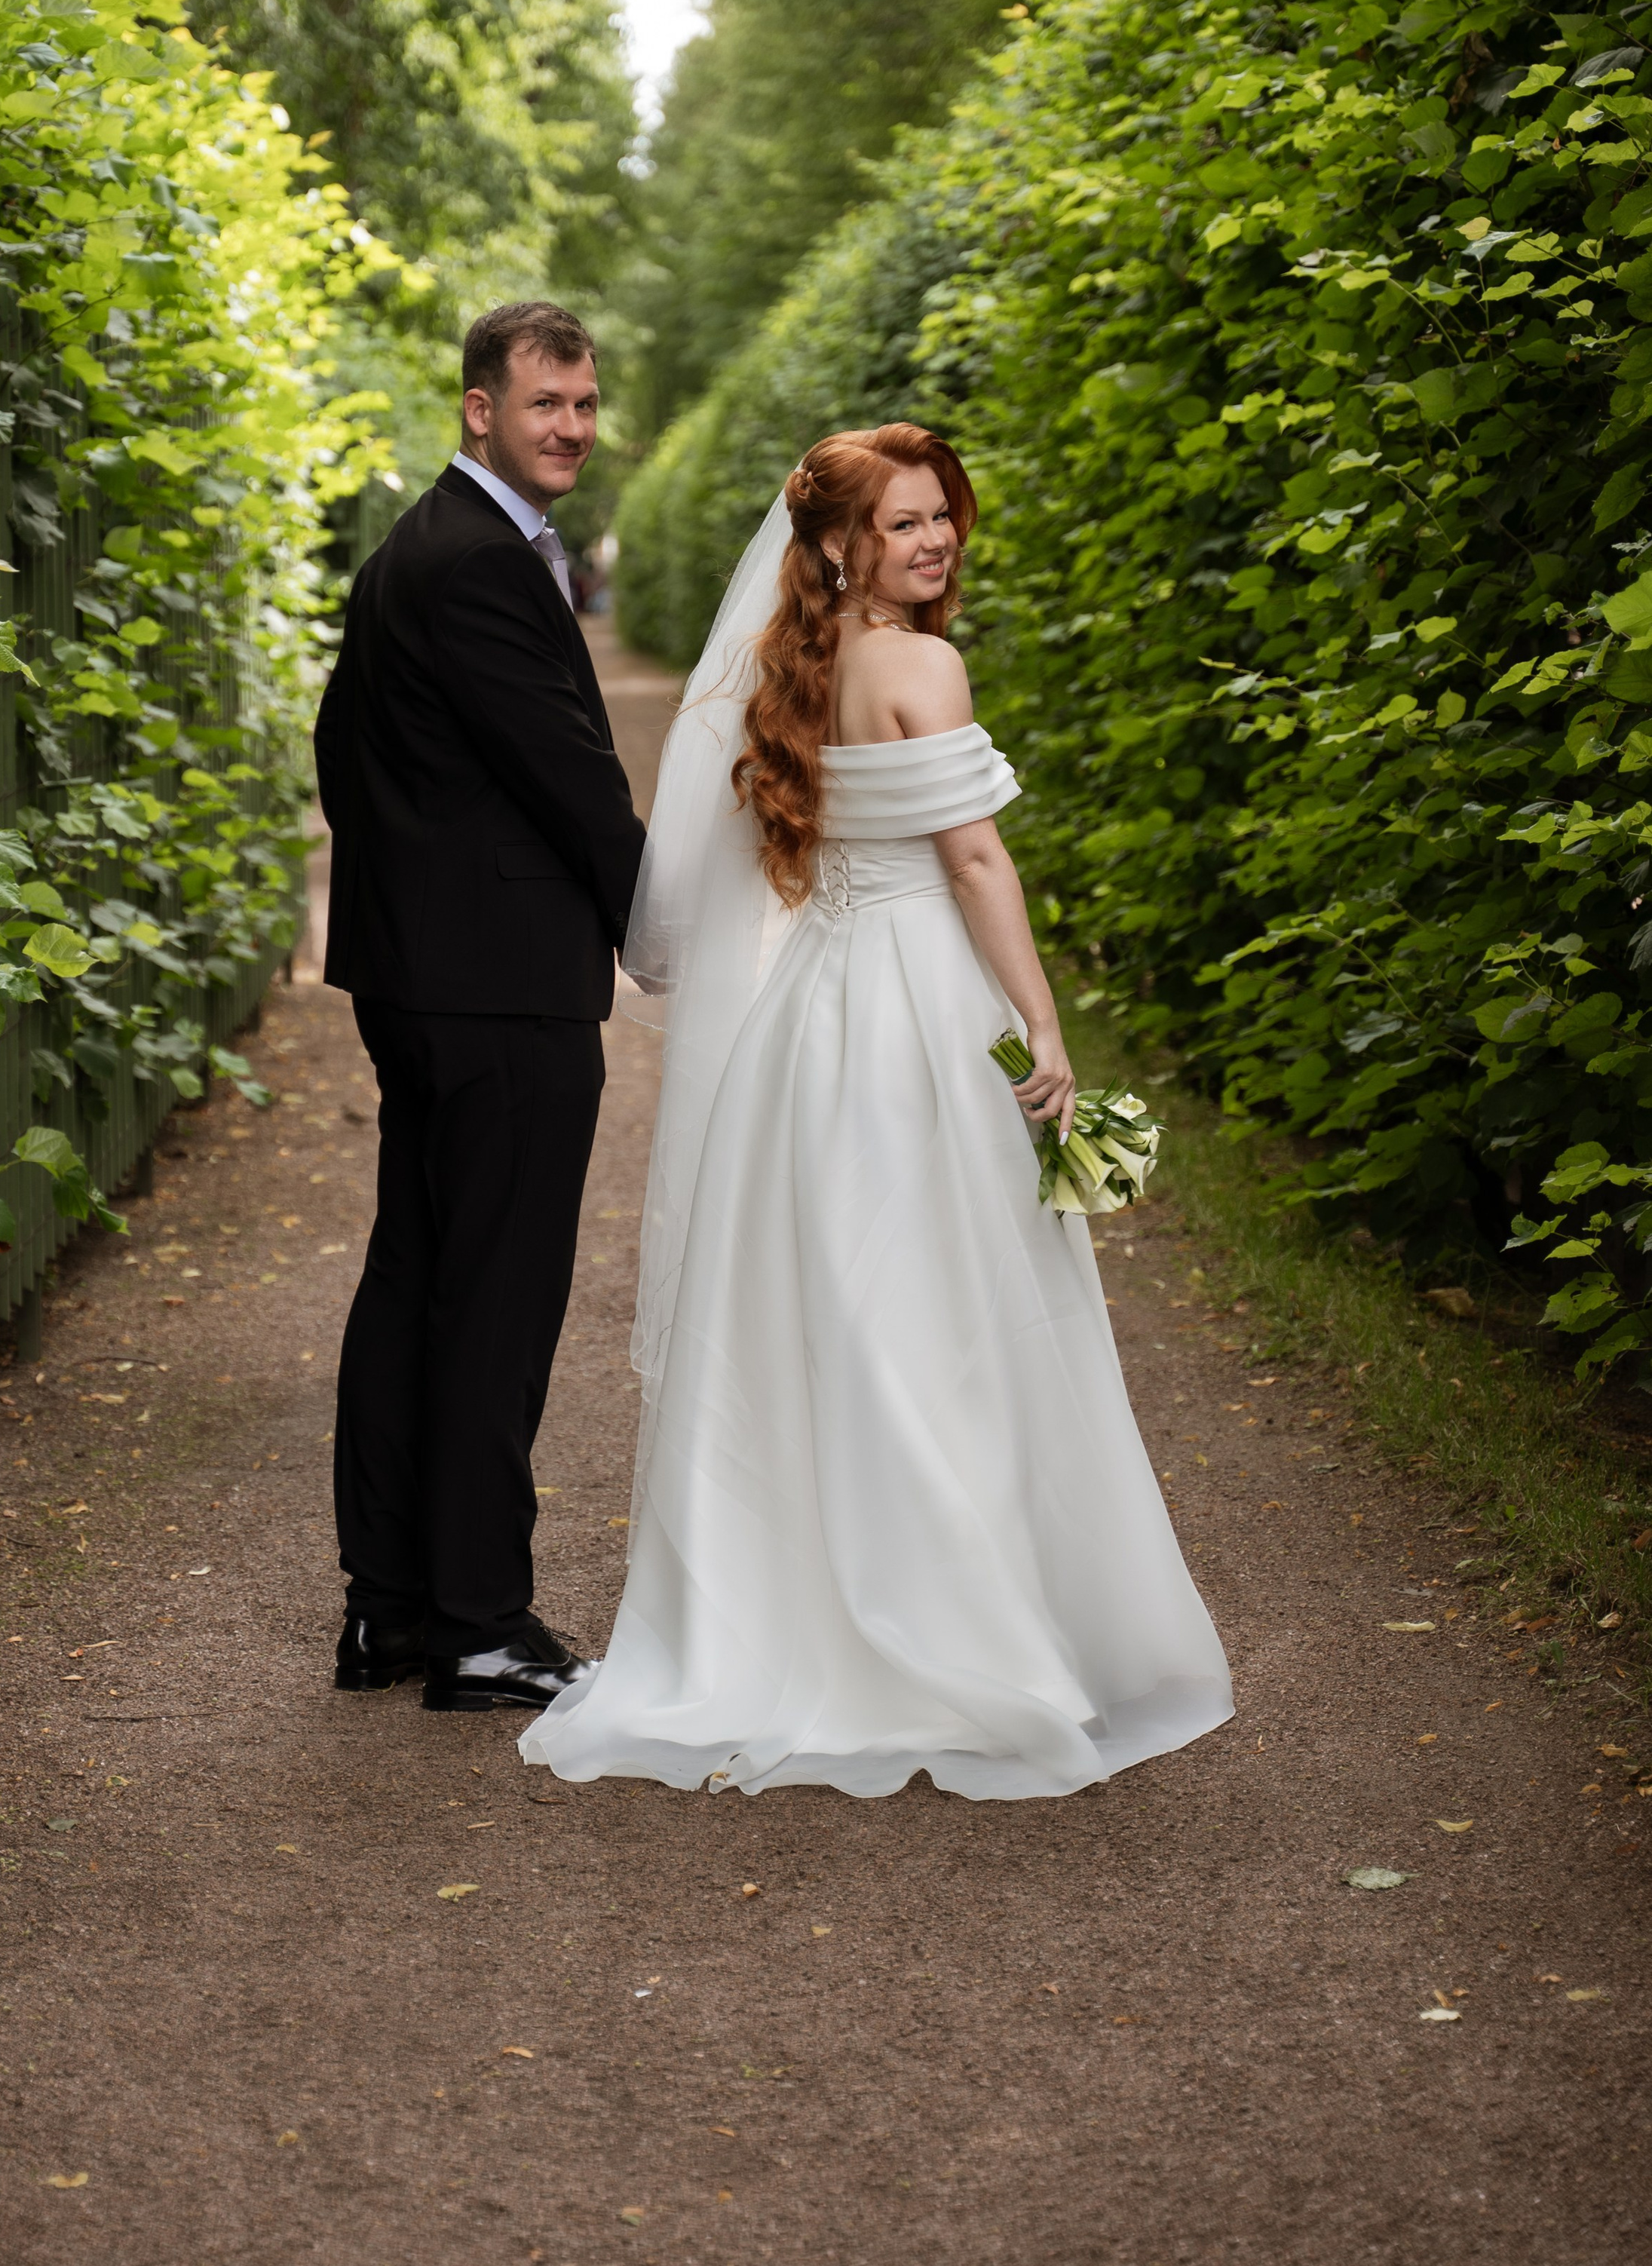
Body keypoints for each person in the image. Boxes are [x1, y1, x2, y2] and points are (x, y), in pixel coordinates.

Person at [521, 422, 1232, 1798]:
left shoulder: (795, 668)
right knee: (946, 1309)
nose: (935, 540)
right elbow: (972, 858)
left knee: (823, 1310)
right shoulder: (923, 662)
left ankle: (794, 1618)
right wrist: (1043, 1019)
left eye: (942, 516)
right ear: (843, 543)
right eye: (904, 523)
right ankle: (959, 1627)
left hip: (813, 1028)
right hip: (916, 1011)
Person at [313, 300, 646, 1713]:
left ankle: (392, 1609)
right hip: (498, 992)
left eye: (582, 403)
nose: (568, 426)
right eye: (543, 404)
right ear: (478, 410)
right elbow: (575, 779)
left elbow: (346, 752)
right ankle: (479, 1623)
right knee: (494, 1301)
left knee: (420, 1283)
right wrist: (676, 928)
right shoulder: (479, 565)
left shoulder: (418, 551)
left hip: (427, 979)